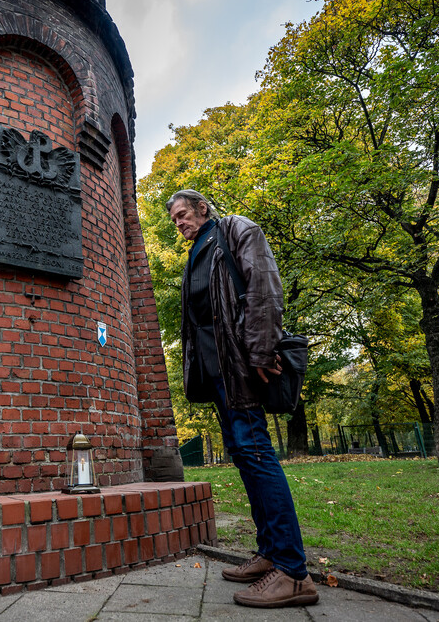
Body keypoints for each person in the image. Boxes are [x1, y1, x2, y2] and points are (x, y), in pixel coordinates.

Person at [166, 189, 318, 609]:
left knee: (256, 452)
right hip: (218, 374)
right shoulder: (197, 251)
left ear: (202, 208)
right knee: (244, 455)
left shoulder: (235, 230)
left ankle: (292, 571)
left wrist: (262, 350)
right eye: (174, 220)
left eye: (184, 215)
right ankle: (270, 553)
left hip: (242, 366)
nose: (180, 223)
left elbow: (264, 287)